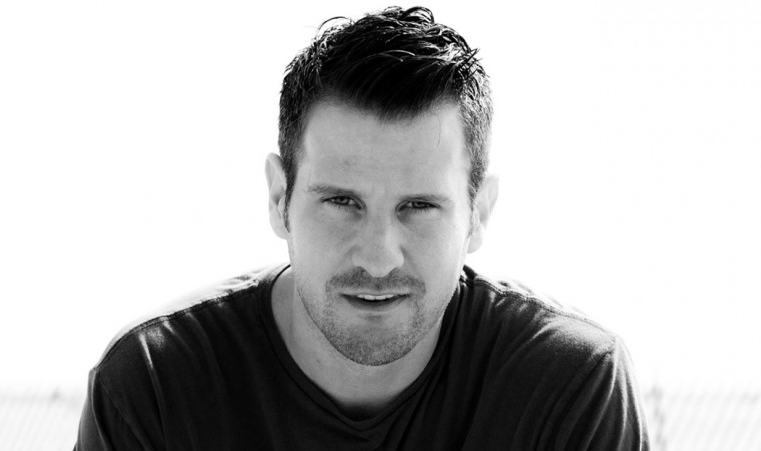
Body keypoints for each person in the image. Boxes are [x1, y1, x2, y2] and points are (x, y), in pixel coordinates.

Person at [75, 6, 649, 450]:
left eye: (418, 206)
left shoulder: (569, 386)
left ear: (478, 213)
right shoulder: (155, 386)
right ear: (279, 198)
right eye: (342, 201)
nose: (378, 258)